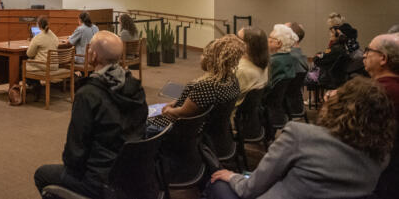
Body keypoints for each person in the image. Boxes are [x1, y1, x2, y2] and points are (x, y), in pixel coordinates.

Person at [204, 77, 395, 199]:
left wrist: (232, 176)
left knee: (216, 182)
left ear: (339, 106)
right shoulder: (382, 154)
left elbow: (250, 189)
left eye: (331, 95)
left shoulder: (301, 135)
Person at [33, 31, 147, 198]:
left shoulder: (88, 94)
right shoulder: (135, 87)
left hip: (100, 180)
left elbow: (75, 153)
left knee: (41, 174)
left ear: (93, 55)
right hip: (130, 173)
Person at [147, 35, 244, 133]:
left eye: (203, 54)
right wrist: (174, 103)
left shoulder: (206, 86)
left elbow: (183, 113)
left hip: (181, 130)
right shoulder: (232, 79)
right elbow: (193, 103)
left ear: (212, 59)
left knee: (140, 120)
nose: (200, 57)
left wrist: (168, 110)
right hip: (214, 130)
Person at [363, 34, 399, 199]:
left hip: (376, 177)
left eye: (369, 50)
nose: (364, 55)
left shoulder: (378, 93)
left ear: (383, 58)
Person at [25, 16, 59, 99]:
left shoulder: (37, 37)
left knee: (23, 66)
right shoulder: (54, 36)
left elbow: (29, 54)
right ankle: (36, 85)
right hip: (54, 65)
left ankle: (35, 85)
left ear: (38, 26)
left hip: (45, 65)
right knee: (31, 63)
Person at [235, 27, 268, 106]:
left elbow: (228, 99)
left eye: (238, 38)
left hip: (234, 113)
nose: (234, 41)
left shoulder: (241, 70)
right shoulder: (264, 63)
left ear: (248, 45)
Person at [266, 24, 297, 89]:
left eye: (270, 37)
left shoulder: (274, 62)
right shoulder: (290, 58)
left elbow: (266, 88)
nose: (267, 40)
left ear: (279, 43)